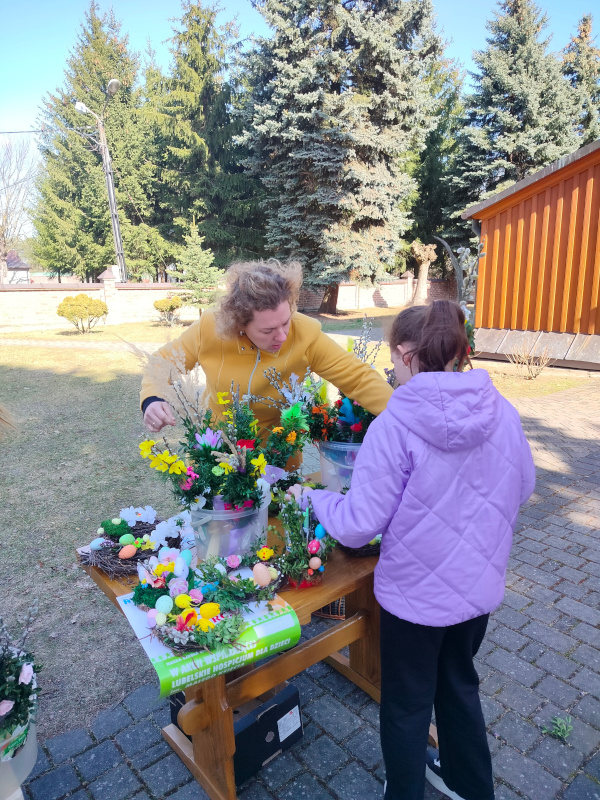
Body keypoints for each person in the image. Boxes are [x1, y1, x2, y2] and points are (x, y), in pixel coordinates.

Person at [308, 300, 536, 800]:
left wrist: (316, 497)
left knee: (407, 703)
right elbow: (523, 487)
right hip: (476, 590)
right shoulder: (501, 410)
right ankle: (469, 785)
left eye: (392, 359)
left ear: (407, 353)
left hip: (414, 600)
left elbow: (357, 526)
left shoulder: (394, 425)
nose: (391, 369)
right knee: (459, 687)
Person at [141, 259, 393, 435]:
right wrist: (152, 399)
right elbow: (161, 364)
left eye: (286, 322)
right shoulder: (210, 328)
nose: (282, 336)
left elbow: (358, 378)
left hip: (279, 456)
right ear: (240, 323)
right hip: (219, 454)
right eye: (267, 330)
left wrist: (406, 417)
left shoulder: (306, 333)